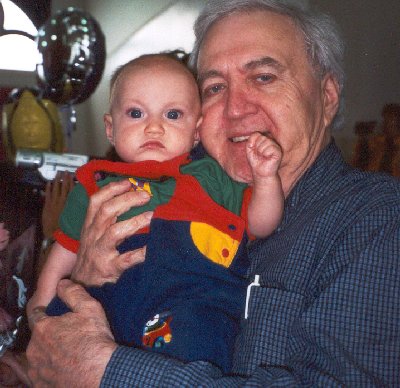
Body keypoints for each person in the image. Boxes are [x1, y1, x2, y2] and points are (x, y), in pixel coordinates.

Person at [26, 0, 400, 386]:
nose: (236, 108)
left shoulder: (377, 220)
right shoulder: (173, 186)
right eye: (215, 87)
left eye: (264, 77)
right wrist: (87, 283)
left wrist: (107, 370)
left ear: (326, 96)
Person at [27, 52, 284, 372]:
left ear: (196, 131)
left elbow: (261, 225)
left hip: (189, 312)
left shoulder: (213, 176)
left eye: (172, 115)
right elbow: (63, 256)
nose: (154, 127)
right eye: (136, 113)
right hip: (107, 320)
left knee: (197, 341)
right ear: (110, 128)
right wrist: (40, 311)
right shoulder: (95, 184)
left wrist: (265, 179)